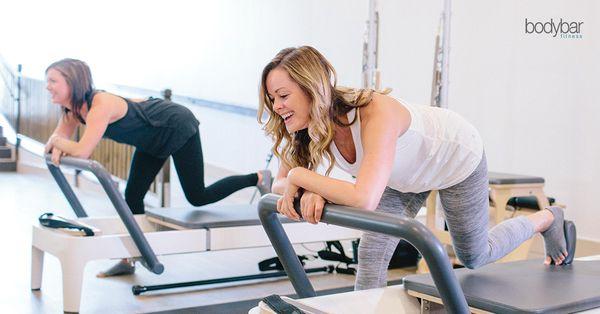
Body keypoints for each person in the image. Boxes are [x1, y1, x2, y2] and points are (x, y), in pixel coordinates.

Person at [257, 46, 576, 290]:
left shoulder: (373, 112)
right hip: (398, 175)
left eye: (283, 95)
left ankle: (546, 218)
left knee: (474, 257)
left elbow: (363, 198)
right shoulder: (303, 125)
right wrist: (308, 186)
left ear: (313, 88)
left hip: (454, 158)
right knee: (371, 253)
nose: (277, 106)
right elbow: (277, 186)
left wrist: (302, 178)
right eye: (273, 98)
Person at [44, 58, 272, 276]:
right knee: (132, 196)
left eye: (53, 81)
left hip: (175, 124)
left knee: (198, 196)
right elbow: (54, 143)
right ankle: (132, 258)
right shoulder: (72, 112)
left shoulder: (100, 103)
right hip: (151, 140)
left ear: (72, 81)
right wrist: (56, 145)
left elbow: (82, 150)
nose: (48, 87)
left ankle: (257, 178)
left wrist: (57, 143)